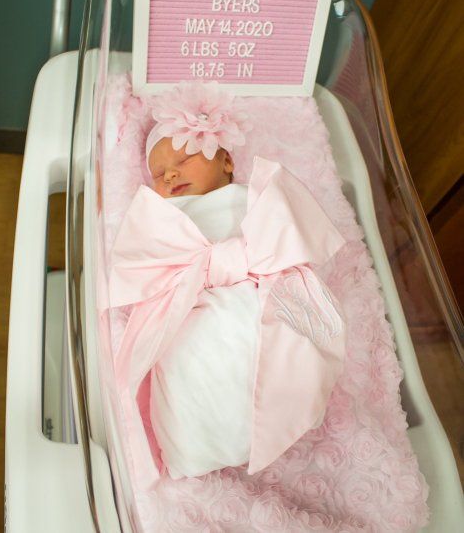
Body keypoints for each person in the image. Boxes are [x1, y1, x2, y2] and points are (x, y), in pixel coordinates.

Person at [109, 82, 346, 489]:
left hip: (257, 294)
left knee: (283, 343)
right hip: (195, 302)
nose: (169, 174)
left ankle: (275, 416)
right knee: (187, 359)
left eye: (183, 158)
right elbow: (144, 264)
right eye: (159, 174)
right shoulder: (165, 217)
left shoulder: (258, 200)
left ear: (226, 162)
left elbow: (288, 247)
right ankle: (196, 441)